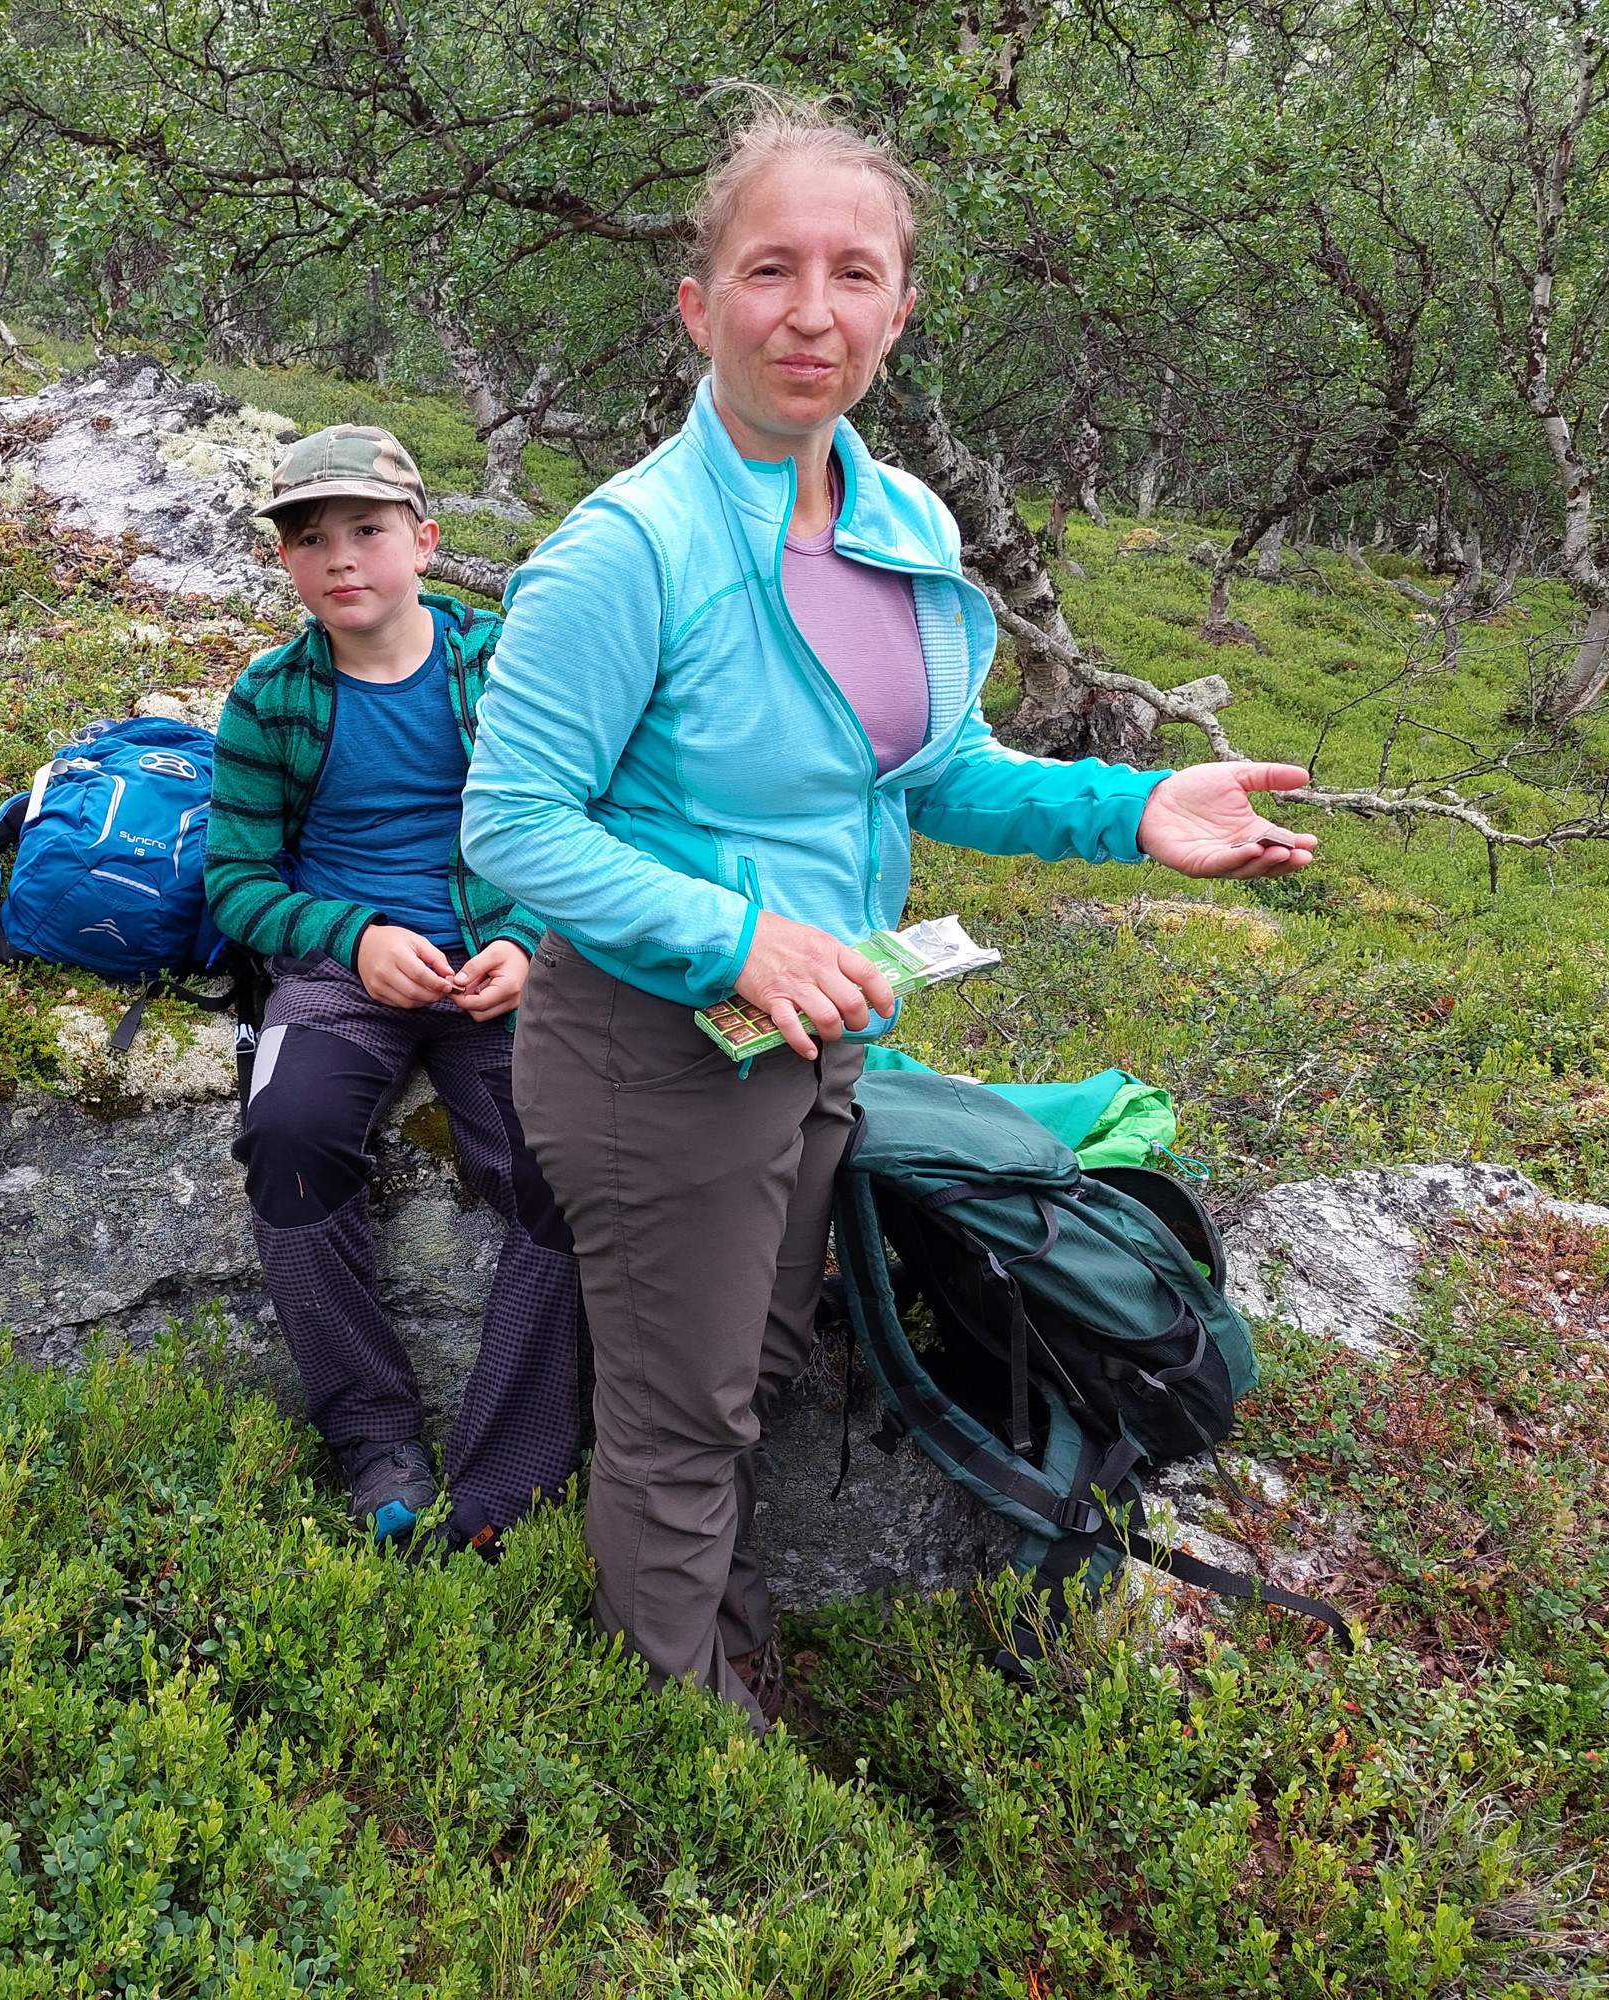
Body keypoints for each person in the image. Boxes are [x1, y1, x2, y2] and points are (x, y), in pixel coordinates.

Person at [460, 97, 1319, 1726]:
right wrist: (735, 938)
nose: (810, 311)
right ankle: (684, 1740)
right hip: (652, 1047)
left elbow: (932, 772)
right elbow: (509, 826)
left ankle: (716, 1631)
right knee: (684, 1414)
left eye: (852, 273)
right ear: (697, 303)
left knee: (760, 1365)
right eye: (768, 269)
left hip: (823, 1029)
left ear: (899, 308)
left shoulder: (899, 524)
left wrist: (1130, 810)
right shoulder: (624, 554)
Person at [206, 424, 586, 1555]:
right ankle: (373, 1438)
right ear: (285, 560)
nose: (339, 558)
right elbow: (236, 882)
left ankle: (506, 1476)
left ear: (423, 542)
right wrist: (354, 935)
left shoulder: (508, 667)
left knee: (564, 1171)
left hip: (492, 970)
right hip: (341, 974)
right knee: (287, 1134)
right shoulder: (269, 697)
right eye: (308, 538)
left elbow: (581, 819)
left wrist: (526, 940)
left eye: (366, 530)